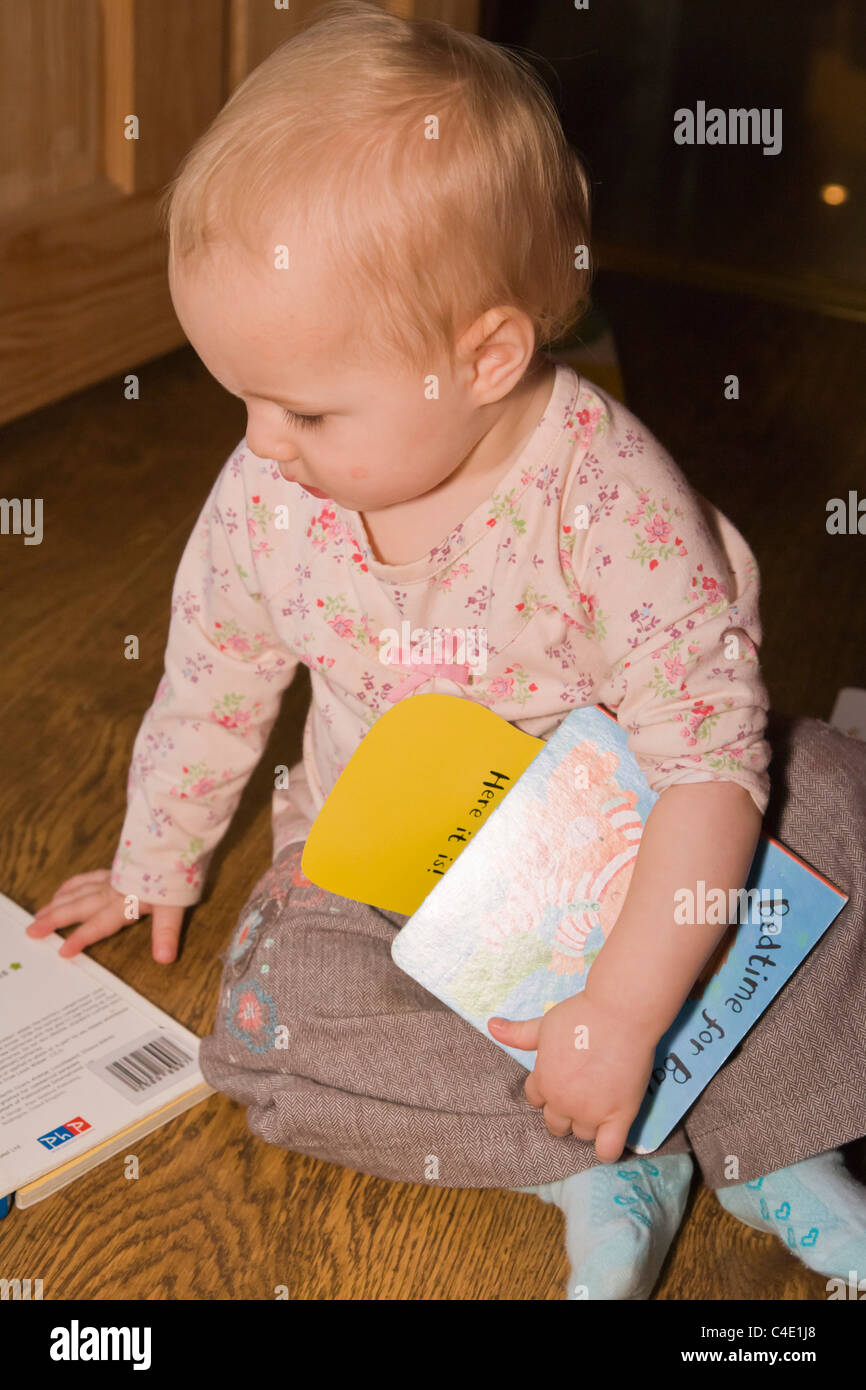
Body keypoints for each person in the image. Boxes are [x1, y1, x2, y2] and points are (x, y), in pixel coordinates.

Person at [28, 0, 866, 1299]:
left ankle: (763, 1131)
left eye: (302, 403)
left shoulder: (607, 501)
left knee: (829, 804)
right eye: (236, 392)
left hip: (645, 857)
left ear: (483, 355)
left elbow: (709, 767)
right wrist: (152, 859)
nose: (257, 442)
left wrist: (625, 1008)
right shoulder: (271, 492)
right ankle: (597, 1148)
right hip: (397, 880)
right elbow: (215, 669)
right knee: (262, 1024)